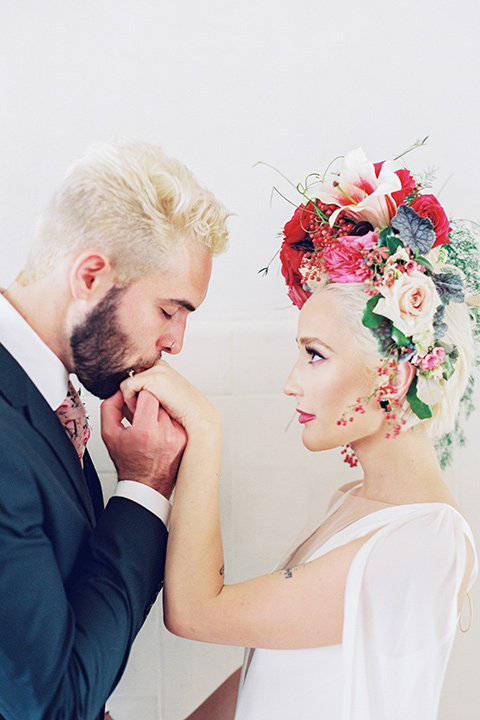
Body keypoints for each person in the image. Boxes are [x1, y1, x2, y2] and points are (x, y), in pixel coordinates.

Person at [121, 147, 478, 719]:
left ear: (397, 370)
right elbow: (268, 669)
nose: (291, 383)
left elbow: (195, 611)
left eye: (314, 355)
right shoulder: (357, 503)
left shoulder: (426, 537)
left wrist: (206, 431)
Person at [0, 140, 229, 720]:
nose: (175, 343)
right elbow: (51, 704)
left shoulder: (45, 397)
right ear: (91, 276)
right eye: (169, 310)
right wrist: (146, 485)